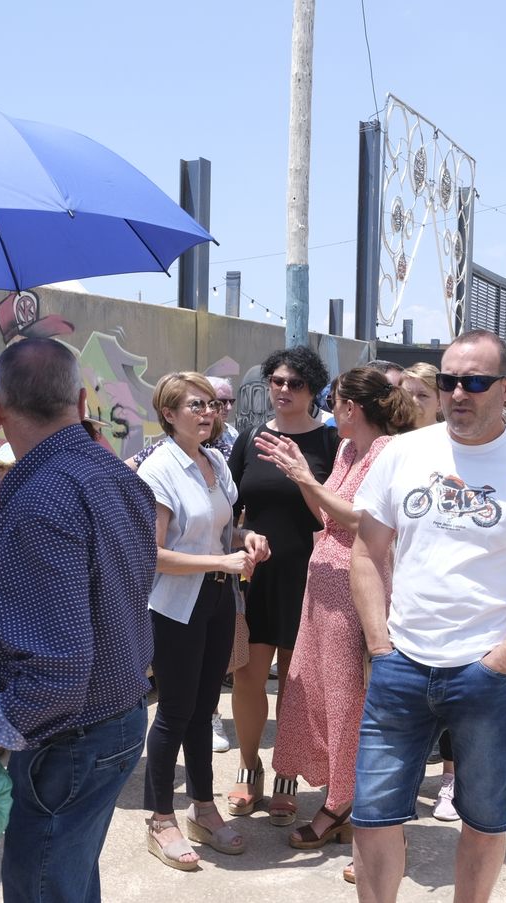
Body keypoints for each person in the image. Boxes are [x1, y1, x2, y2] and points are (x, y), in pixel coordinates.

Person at [348, 330, 506, 903]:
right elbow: (365, 553)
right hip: (401, 665)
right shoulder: (403, 453)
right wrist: (380, 646)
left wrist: (501, 663)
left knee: (483, 820)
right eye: (450, 380)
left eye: (476, 381)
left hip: (486, 676)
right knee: (372, 816)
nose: (459, 392)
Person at [0, 338, 156, 903]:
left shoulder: (38, 504)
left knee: (43, 887)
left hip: (73, 739)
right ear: (81, 400)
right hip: (116, 719)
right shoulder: (115, 474)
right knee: (67, 881)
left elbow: (57, 676)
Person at [259, 368, 414, 863]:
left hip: (355, 589)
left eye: (333, 402)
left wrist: (305, 477)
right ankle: (343, 795)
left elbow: (361, 520)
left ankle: (345, 804)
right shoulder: (348, 449)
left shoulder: (388, 451)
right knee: (321, 691)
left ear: (352, 407)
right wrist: (300, 476)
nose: (329, 411)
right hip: (323, 585)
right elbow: (328, 515)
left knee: (350, 698)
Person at [136, 373, 269, 870]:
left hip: (217, 600)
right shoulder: (159, 468)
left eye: (211, 404)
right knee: (174, 711)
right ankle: (160, 818)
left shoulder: (214, 460)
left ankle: (203, 808)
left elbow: (220, 530)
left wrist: (245, 538)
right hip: (175, 605)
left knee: (203, 707)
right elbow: (153, 554)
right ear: (169, 414)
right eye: (196, 405)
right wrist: (221, 561)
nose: (208, 412)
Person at [226, 347, 340, 825]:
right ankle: (248, 767)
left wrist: (302, 474)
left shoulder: (331, 442)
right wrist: (242, 539)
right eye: (277, 381)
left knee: (296, 684)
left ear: (313, 390)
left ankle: (286, 775)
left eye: (296, 383)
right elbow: (228, 513)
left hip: (309, 576)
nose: (284, 390)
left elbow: (334, 517)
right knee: (248, 677)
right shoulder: (250, 438)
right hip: (257, 576)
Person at [400, 362, 443, 427]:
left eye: (422, 395)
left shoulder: (451, 433)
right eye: (407, 395)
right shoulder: (390, 433)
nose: (414, 401)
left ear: (440, 403)